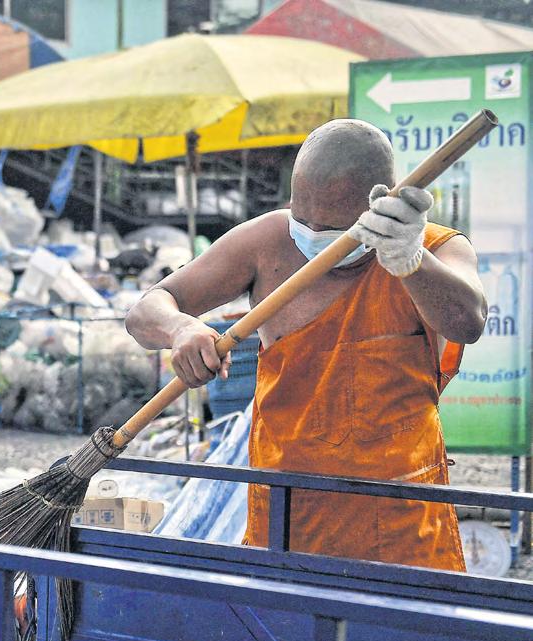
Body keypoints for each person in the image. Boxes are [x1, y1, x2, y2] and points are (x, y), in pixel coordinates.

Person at [125, 120, 487, 571]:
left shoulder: (434, 249)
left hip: (401, 514)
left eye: (332, 226)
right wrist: (180, 330)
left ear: (382, 202)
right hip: (288, 509)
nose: (312, 233)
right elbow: (145, 312)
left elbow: (468, 322)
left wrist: (411, 263)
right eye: (303, 217)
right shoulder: (268, 241)